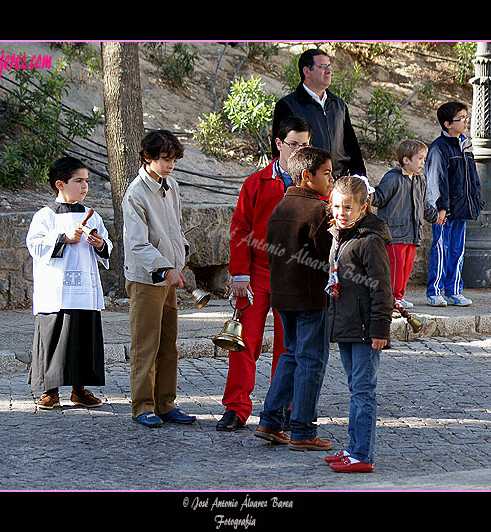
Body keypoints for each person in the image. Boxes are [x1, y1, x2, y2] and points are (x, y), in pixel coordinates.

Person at [216, 116, 313, 432]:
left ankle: (280, 408)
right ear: (279, 144)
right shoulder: (256, 183)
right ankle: (236, 408)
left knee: (289, 347)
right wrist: (239, 273)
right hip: (257, 273)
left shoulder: (315, 185)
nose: (299, 150)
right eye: (294, 144)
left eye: (305, 145)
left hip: (296, 277)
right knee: (244, 341)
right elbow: (240, 229)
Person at [254, 146, 334, 451]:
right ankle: (302, 429)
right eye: (326, 173)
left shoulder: (280, 208)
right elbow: (327, 255)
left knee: (290, 356)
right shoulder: (317, 210)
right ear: (307, 176)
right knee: (312, 361)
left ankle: (271, 421)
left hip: (284, 296)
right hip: (311, 297)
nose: (330, 179)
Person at [26, 156, 112, 410]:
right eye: (78, 181)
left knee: (83, 338)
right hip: (56, 290)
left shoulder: (91, 216)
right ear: (60, 184)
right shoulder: (45, 216)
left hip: (84, 289)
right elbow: (35, 245)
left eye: (86, 181)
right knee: (54, 337)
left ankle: (79, 390)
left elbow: (106, 246)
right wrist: (64, 238)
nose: (85, 187)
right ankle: (50, 391)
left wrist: (100, 244)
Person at [122, 129, 196, 428]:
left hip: (169, 279)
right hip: (146, 280)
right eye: (165, 159)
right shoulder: (135, 194)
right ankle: (142, 406)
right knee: (146, 345)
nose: (170, 165)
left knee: (169, 345)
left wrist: (182, 255)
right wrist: (166, 268)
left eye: (174, 160)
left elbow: (175, 228)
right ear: (148, 157)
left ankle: (166, 403)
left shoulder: (172, 185)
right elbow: (137, 243)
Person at [324, 175, 392, 472]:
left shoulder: (370, 241)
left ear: (364, 207)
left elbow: (381, 287)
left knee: (364, 391)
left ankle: (362, 455)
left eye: (348, 208)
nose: (341, 213)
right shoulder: (341, 234)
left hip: (365, 328)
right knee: (355, 388)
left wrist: (380, 328)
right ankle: (353, 447)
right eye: (337, 206)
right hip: (349, 324)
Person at [271, 48, 366, 178]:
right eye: (322, 67)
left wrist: (361, 176)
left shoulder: (339, 105)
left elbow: (351, 145)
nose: (329, 71)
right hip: (307, 183)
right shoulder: (287, 106)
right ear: (306, 71)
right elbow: (279, 151)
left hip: (339, 182)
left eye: (329, 66)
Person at [424, 102, 483, 307]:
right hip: (445, 211)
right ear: (448, 124)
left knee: (457, 250)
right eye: (462, 119)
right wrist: (441, 207)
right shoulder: (438, 148)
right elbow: (436, 180)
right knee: (441, 249)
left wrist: (475, 200)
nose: (466, 122)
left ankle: (454, 290)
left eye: (467, 117)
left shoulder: (466, 145)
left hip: (462, 208)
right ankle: (435, 290)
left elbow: (472, 177)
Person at [371, 139, 438, 309]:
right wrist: (367, 193)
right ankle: (391, 297)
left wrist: (435, 216)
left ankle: (399, 296)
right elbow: (378, 198)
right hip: (394, 233)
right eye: (420, 158)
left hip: (413, 232)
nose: (423, 162)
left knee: (407, 267)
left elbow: (423, 205)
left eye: (424, 159)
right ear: (406, 160)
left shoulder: (419, 180)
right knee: (396, 267)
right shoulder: (392, 178)